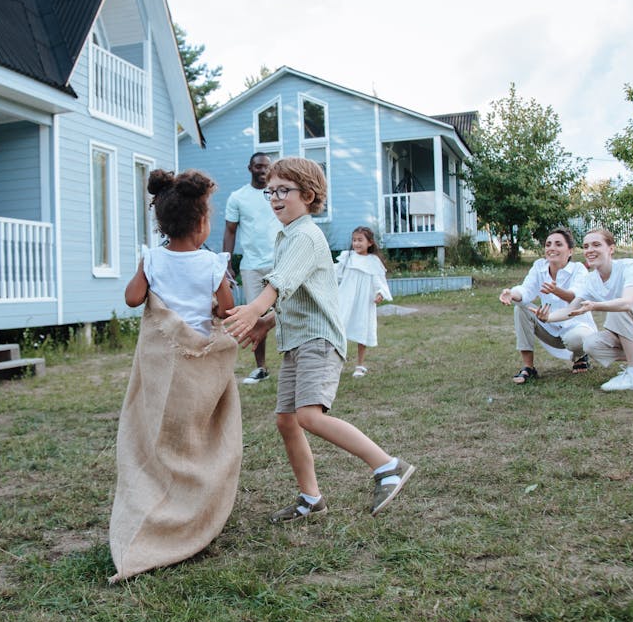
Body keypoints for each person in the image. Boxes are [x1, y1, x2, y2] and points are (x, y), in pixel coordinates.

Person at [223, 157, 414, 522]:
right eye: (270, 192)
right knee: (286, 420)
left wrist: (253, 309)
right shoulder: (287, 235)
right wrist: (266, 322)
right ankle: (310, 499)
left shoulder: (307, 236)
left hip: (319, 341)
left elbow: (279, 283)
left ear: (308, 195)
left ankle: (387, 465)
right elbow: (297, 294)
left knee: (309, 416)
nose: (275, 198)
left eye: (284, 191)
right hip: (297, 341)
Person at [110, 169, 241, 582]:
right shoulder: (210, 264)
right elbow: (224, 308)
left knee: (159, 435)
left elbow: (132, 299)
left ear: (162, 223)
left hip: (162, 364)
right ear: (202, 224)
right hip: (198, 367)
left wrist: (147, 270)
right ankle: (191, 506)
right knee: (195, 438)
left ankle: (157, 500)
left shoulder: (152, 258)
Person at [534, 227, 633, 392]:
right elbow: (571, 309)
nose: (590, 250)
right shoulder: (591, 280)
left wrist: (595, 305)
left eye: (596, 245)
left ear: (611, 249)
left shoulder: (630, 267)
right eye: (586, 247)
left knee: (619, 308)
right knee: (591, 344)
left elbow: (627, 303)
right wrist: (547, 318)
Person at [498, 227, 596, 384]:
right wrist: (512, 294)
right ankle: (528, 367)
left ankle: (580, 356)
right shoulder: (539, 266)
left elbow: (575, 297)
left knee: (576, 339)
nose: (552, 248)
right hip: (549, 328)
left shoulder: (578, 270)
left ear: (570, 251)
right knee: (520, 308)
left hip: (575, 329)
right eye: (548, 244)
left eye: (558, 244)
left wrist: (556, 291)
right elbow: (526, 290)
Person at [223, 152, 280, 384]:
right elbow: (230, 231)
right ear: (250, 168)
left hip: (279, 263)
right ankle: (261, 368)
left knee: (289, 311)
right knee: (254, 316)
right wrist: (226, 263)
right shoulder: (238, 197)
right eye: (258, 166)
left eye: (266, 166)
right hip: (251, 266)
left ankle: (294, 362)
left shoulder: (278, 194)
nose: (262, 170)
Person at [335, 226, 392, 378]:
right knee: (340, 329)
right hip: (346, 299)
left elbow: (379, 281)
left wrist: (380, 293)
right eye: (354, 240)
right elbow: (336, 275)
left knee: (362, 329)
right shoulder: (347, 257)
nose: (356, 243)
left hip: (364, 301)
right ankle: (338, 362)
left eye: (360, 240)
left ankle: (360, 365)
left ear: (370, 243)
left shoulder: (373, 261)